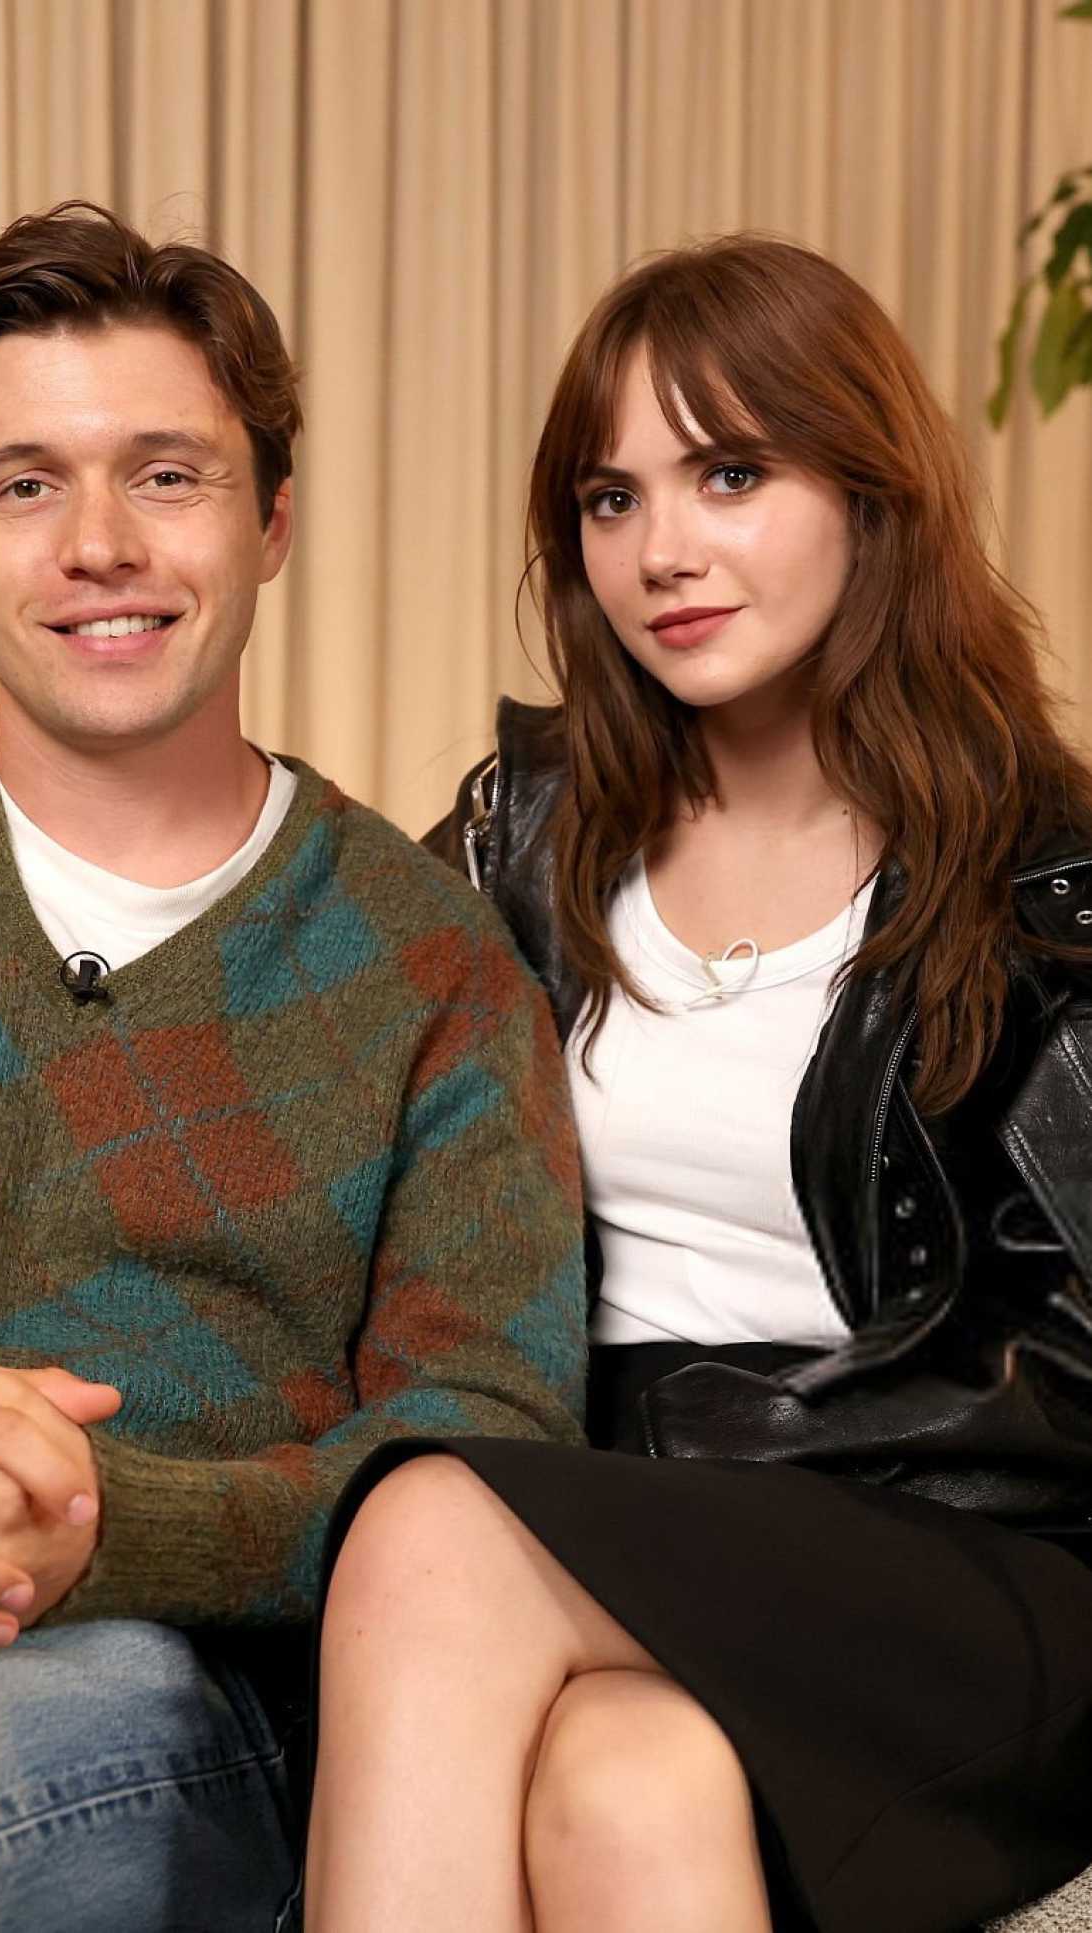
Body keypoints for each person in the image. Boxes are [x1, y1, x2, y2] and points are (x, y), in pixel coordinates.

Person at [304, 235, 1092, 1933]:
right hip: (632, 1530)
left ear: (867, 493)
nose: (660, 550)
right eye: (610, 498)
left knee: (432, 1525)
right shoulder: (520, 836)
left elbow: (1067, 1380)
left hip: (964, 1566)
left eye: (729, 473)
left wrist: (691, 1445)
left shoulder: (1049, 885)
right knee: (625, 1781)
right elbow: (331, 1132)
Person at [0, 200, 587, 1933]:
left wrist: (105, 1523)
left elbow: (485, 1449)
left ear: (273, 522)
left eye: (165, 476)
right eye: (24, 484)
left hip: (184, 1703)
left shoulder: (431, 963)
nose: (97, 544)